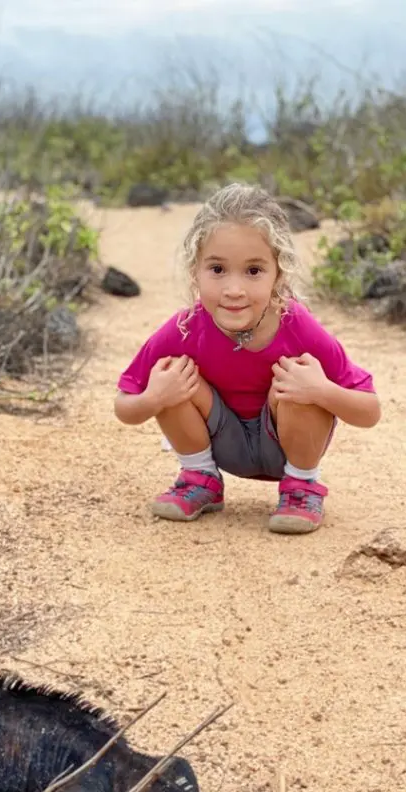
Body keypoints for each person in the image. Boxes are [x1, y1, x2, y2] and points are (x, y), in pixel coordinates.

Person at [114, 183, 380, 534]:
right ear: (196, 271)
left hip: (287, 448)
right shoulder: (184, 328)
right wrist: (155, 397)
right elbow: (125, 404)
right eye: (218, 270)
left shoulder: (298, 327)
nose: (234, 289)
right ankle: (200, 479)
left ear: (278, 275)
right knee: (171, 374)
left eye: (253, 271)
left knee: (298, 380)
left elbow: (370, 410)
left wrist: (321, 391)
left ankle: (302, 487)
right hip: (220, 443)